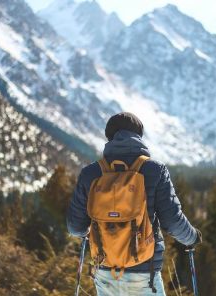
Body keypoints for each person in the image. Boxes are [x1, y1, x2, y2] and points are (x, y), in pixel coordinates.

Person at [67, 112, 202, 295]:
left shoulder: (90, 173)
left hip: (105, 269)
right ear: (139, 136)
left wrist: (91, 232)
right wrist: (192, 237)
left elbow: (76, 227)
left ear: (109, 137)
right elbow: (172, 221)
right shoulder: (155, 170)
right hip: (144, 271)